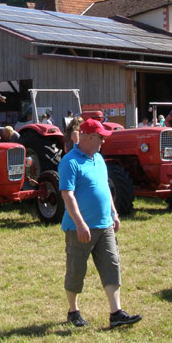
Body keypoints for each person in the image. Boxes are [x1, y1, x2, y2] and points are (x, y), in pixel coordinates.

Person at [59, 118, 142, 329]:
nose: (103, 142)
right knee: (76, 270)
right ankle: (73, 311)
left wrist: (114, 213)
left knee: (112, 265)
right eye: (100, 137)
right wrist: (80, 223)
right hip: (80, 228)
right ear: (88, 137)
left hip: (104, 225)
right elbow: (68, 195)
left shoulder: (99, 159)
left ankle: (116, 313)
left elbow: (105, 189)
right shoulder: (70, 162)